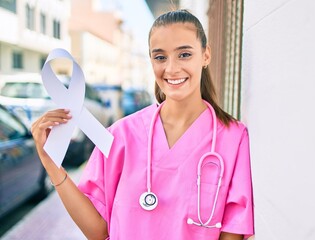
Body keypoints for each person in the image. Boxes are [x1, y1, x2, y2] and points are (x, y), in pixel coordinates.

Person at [31, 9, 254, 240]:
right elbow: (97, 232)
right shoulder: (121, 135)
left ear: (205, 55)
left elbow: (233, 233)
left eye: (184, 54)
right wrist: (51, 163)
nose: (171, 68)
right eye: (160, 57)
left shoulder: (233, 139)